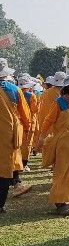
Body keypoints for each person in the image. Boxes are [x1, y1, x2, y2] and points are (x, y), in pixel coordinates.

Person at [40, 70, 69, 216]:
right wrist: (41, 138)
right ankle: (60, 203)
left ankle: (66, 198)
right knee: (62, 171)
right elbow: (48, 121)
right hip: (64, 144)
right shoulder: (59, 103)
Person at [0, 58, 31, 213]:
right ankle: (0, 204)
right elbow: (26, 116)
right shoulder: (14, 90)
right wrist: (26, 130)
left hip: (7, 133)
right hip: (8, 135)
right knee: (5, 169)